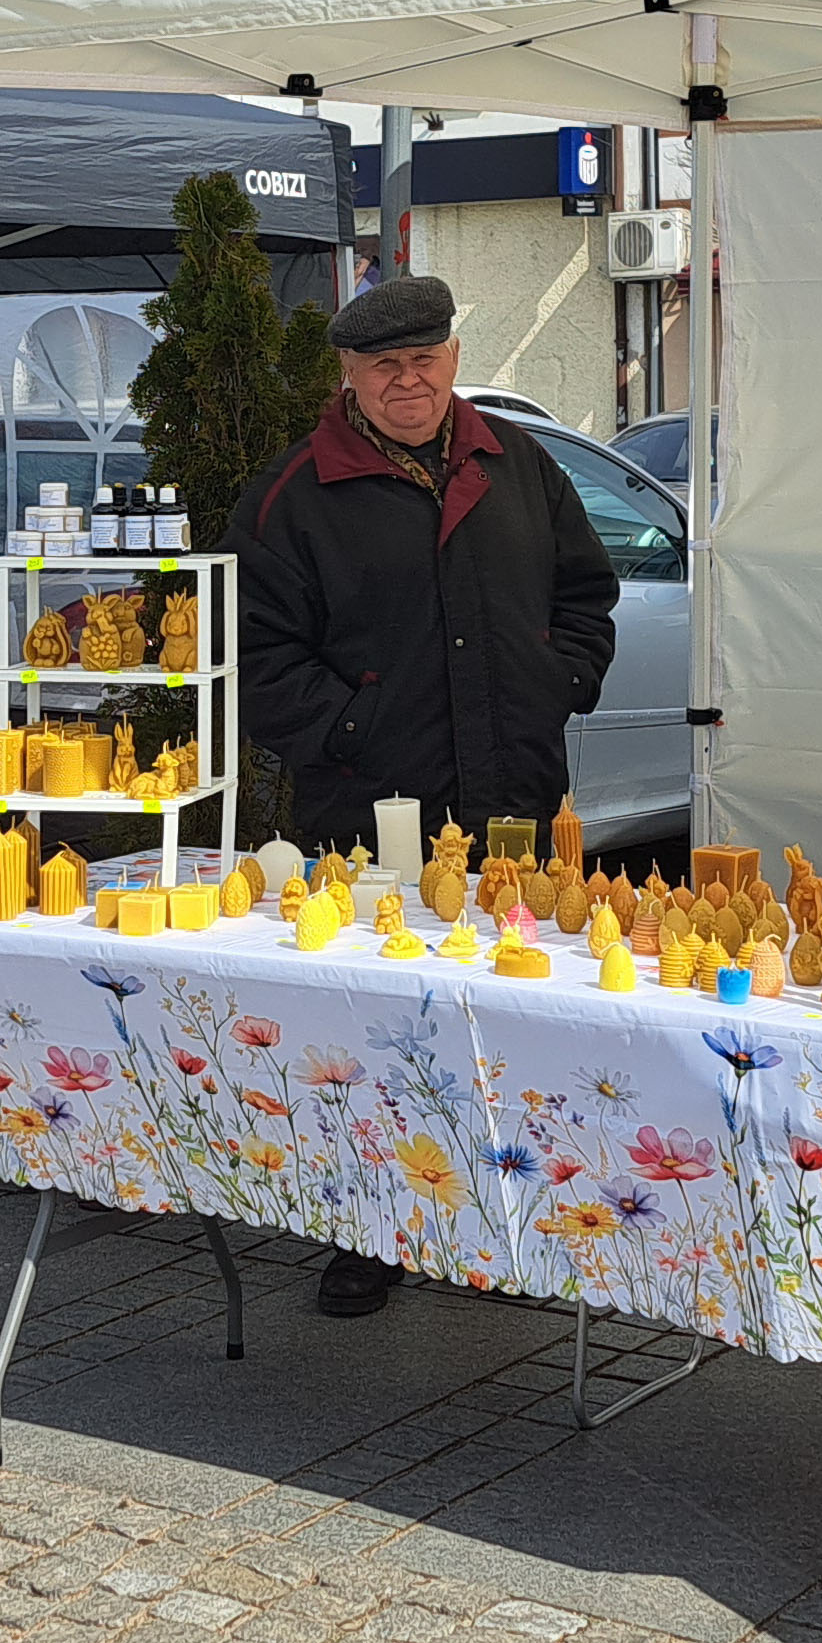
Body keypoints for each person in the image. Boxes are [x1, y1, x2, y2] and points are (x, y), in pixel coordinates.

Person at [237, 274, 619, 1316]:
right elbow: (262, 661)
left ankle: (508, 1225)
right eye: (383, 366)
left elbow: (586, 594)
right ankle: (368, 1233)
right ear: (348, 375)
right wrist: (352, 729)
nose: (407, 381)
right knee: (372, 1030)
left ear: (453, 358)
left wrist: (559, 681)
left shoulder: (517, 462)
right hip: (368, 813)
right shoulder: (292, 495)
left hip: (515, 796)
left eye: (424, 359)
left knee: (512, 1006)